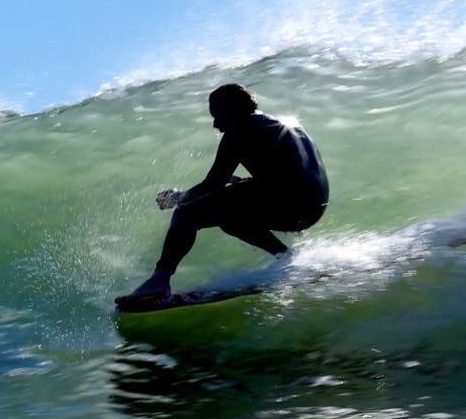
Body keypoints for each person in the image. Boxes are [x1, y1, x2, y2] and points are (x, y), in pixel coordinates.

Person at [122, 83, 329, 299]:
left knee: (186, 213)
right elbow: (293, 173)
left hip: (288, 201)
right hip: (311, 208)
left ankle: (159, 281)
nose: (215, 123)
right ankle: (288, 260)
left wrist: (178, 197)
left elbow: (213, 184)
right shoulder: (289, 125)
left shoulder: (240, 128)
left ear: (238, 108)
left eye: (219, 114)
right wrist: (243, 183)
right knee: (230, 218)